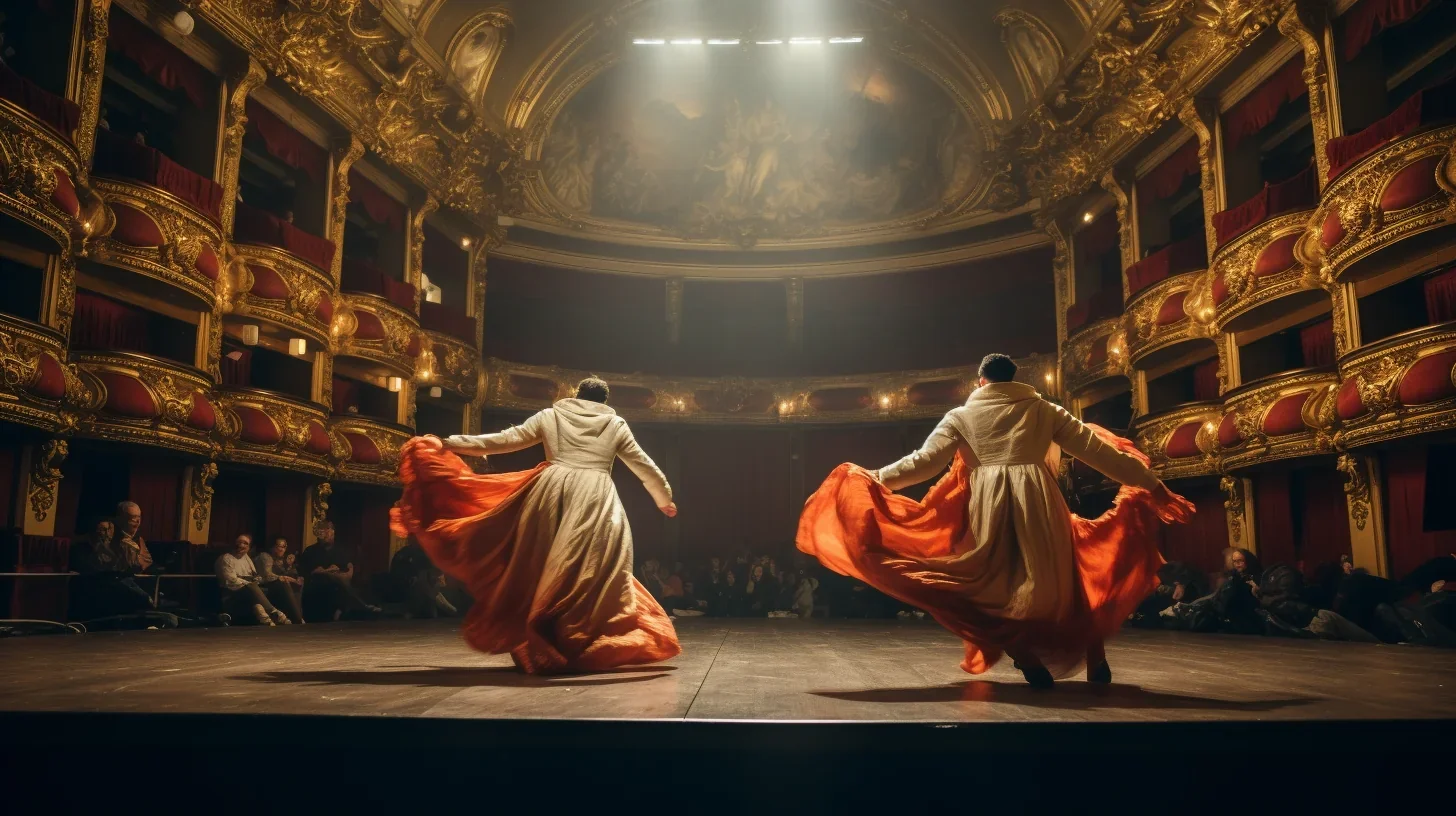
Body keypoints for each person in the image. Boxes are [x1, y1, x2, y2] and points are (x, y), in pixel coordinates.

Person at [798, 353, 1194, 688]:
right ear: (1014, 380)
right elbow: (1098, 452)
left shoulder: (962, 416)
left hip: (989, 504)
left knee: (996, 585)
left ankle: (1028, 658)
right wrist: (1153, 486)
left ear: (981, 381)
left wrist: (877, 477)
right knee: (1061, 576)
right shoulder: (1044, 409)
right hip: (1039, 499)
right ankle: (1095, 658)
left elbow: (924, 463)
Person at [391, 376, 681, 674]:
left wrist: (451, 443)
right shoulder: (615, 425)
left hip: (552, 491)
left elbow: (505, 439)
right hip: (595, 494)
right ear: (604, 401)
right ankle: (579, 637)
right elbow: (643, 464)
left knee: (546, 564)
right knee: (597, 568)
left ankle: (549, 633)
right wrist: (664, 498)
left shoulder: (553, 415)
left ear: (576, 394)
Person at [68, 519, 154, 620]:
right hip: (98, 583)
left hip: (116, 580)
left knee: (143, 599)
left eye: (109, 530)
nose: (106, 533)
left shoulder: (120, 546)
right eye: (102, 530)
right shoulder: (85, 547)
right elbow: (93, 567)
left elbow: (135, 565)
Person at [298, 521, 379, 622]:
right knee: (330, 578)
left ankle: (346, 608)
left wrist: (337, 572)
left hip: (338, 585)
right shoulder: (310, 551)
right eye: (323, 532)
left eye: (329, 531)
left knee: (340, 581)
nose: (326, 535)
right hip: (317, 586)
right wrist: (326, 572)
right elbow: (307, 572)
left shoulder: (341, 551)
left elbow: (348, 569)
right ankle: (361, 605)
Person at [215, 535, 290, 625]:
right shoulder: (226, 558)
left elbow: (255, 575)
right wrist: (249, 583)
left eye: (245, 543)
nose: (241, 545)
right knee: (252, 590)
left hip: (249, 591)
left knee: (272, 590)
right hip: (232, 594)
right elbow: (230, 581)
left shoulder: (246, 558)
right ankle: (275, 612)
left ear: (249, 547)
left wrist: (256, 580)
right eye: (239, 542)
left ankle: (268, 620)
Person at [254, 537, 305, 624]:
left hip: (276, 585)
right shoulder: (265, 556)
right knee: (285, 583)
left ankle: (298, 616)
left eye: (284, 547)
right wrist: (287, 578)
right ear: (272, 547)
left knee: (298, 583)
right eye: (279, 546)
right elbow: (267, 575)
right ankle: (298, 618)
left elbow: (291, 573)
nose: (282, 549)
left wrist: (289, 566)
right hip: (263, 585)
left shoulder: (281, 559)